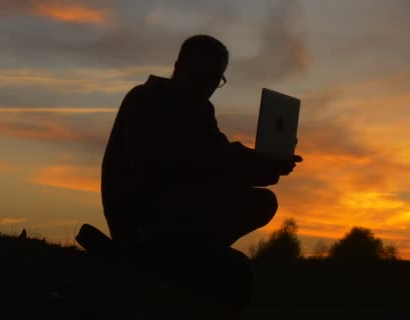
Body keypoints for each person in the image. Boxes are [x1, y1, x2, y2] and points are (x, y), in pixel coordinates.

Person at [101, 34, 302, 313]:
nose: (209, 86)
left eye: (216, 79)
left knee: (263, 202)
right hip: (143, 214)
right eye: (203, 74)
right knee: (236, 272)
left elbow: (219, 160)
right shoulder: (145, 98)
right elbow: (159, 168)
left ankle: (187, 254)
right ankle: (153, 255)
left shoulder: (200, 111)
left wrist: (268, 164)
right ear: (180, 66)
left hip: (181, 208)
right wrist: (239, 159)